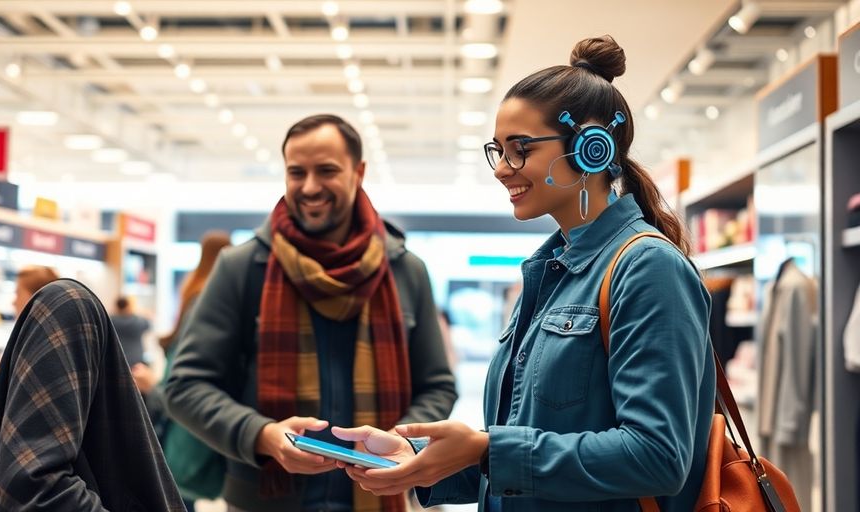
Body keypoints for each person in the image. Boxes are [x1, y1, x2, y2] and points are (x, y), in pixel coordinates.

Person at [332, 36, 716, 512]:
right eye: (498, 150)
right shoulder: (550, 273)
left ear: (591, 149)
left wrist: (488, 450)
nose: (502, 169)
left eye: (521, 149)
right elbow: (530, 451)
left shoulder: (648, 269)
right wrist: (423, 459)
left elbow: (658, 456)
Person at [166, 114, 458, 512]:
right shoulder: (242, 267)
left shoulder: (405, 270)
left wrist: (399, 441)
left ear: (359, 172)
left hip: (380, 495)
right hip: (265, 500)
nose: (309, 187)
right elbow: (185, 385)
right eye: (296, 172)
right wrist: (262, 434)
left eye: (326, 171)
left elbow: (437, 385)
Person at [0, 279, 185, 511]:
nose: (13, 300)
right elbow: (32, 488)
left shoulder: (66, 313)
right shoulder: (66, 310)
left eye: (17, 291)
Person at [144, 230, 232, 512]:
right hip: (195, 416)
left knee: (176, 495)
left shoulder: (195, 291)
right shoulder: (213, 296)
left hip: (182, 417)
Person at [112, 296, 152, 367]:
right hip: (136, 361)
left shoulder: (111, 321)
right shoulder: (139, 321)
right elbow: (149, 325)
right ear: (129, 306)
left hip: (117, 359)